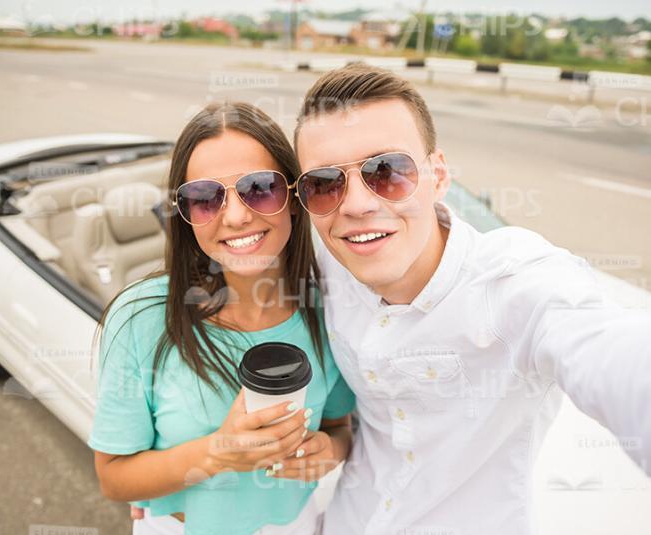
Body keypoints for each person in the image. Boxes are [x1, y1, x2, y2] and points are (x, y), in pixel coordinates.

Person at [291, 63, 651, 535]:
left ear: (437, 176)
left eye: (387, 171)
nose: (356, 205)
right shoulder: (326, 264)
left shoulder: (515, 282)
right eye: (324, 183)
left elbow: (612, 352)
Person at [88, 101, 355, 535]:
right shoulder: (140, 318)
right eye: (205, 198)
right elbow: (114, 477)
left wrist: (330, 451)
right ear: (186, 215)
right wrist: (220, 453)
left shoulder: (330, 306)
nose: (235, 216)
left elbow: (338, 426)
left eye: (260, 187)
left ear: (292, 198)